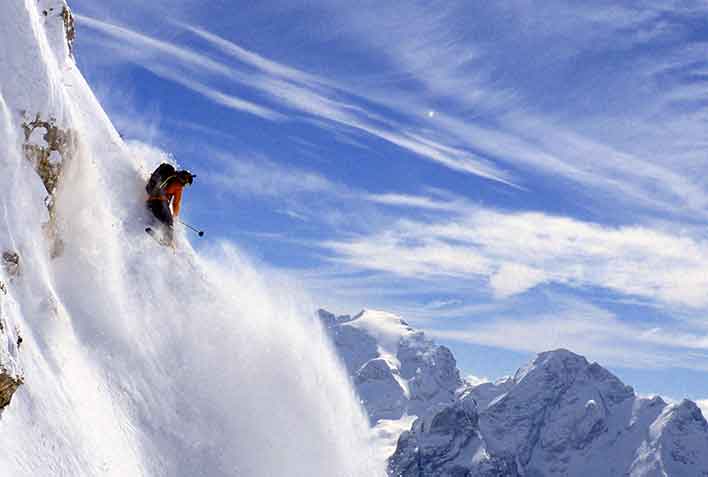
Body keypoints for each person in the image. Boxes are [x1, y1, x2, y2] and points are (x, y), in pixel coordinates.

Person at [146, 169, 195, 246]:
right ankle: (167, 241)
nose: (185, 185)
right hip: (160, 204)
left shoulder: (170, 176)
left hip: (150, 203)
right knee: (169, 223)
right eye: (186, 183)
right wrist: (175, 216)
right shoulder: (178, 186)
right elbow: (176, 204)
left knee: (160, 221)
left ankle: (151, 229)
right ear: (184, 179)